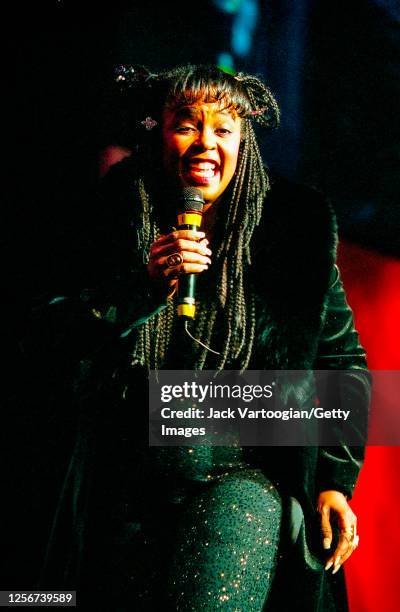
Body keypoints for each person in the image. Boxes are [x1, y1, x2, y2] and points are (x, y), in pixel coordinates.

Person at [22, 64, 370, 611]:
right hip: (118, 488)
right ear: (157, 131)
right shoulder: (103, 220)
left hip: (238, 480)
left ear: (243, 142)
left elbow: (341, 360)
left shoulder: (293, 232)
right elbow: (38, 346)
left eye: (224, 129)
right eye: (186, 125)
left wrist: (333, 480)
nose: (205, 142)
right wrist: (138, 293)